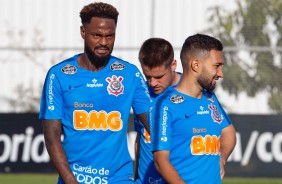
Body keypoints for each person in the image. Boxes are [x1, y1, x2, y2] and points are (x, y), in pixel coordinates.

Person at [39, 2, 151, 184]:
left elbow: (153, 126)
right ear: (83, 32)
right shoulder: (58, 75)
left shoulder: (129, 74)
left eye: (110, 36)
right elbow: (52, 139)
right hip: (75, 178)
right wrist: (70, 180)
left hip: (120, 178)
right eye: (97, 35)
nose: (104, 42)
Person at [150, 33, 236, 184]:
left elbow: (228, 131)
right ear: (196, 65)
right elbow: (160, 162)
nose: (221, 74)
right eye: (216, 66)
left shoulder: (210, 98)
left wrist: (222, 158)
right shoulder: (165, 104)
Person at [134, 38, 181, 184]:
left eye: (159, 77)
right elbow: (140, 139)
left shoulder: (193, 92)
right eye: (148, 76)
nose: (152, 83)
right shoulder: (141, 94)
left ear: (173, 65)